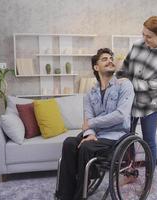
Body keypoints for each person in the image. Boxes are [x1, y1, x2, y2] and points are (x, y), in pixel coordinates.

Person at [55, 48, 135, 200]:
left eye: (111, 58)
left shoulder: (124, 85)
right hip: (96, 134)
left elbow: (120, 115)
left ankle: (79, 195)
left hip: (116, 135)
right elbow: (88, 118)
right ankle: (65, 195)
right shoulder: (90, 94)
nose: (110, 60)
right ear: (96, 67)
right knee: (69, 143)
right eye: (104, 59)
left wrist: (91, 124)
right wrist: (90, 133)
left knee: (86, 147)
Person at [117, 16, 157, 167]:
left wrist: (132, 83)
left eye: (149, 36)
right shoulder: (137, 45)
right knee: (126, 138)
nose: (144, 38)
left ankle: (149, 178)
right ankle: (129, 173)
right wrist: (120, 80)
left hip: (150, 105)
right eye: (143, 34)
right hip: (129, 101)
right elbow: (124, 69)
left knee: (149, 141)